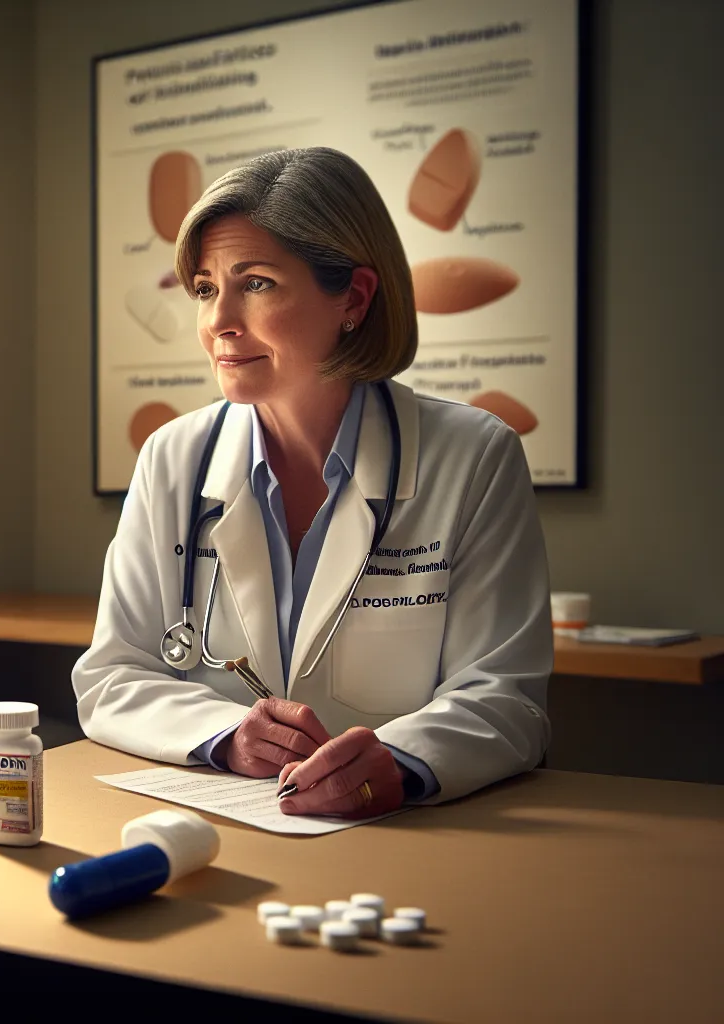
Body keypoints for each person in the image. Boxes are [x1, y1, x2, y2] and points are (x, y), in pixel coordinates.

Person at [73, 147, 550, 817]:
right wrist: (224, 735)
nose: (217, 322)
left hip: (406, 839)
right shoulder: (172, 459)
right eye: (207, 288)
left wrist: (405, 761)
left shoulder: (473, 458)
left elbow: (506, 699)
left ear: (352, 299)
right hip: (221, 826)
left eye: (257, 283)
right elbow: (112, 676)